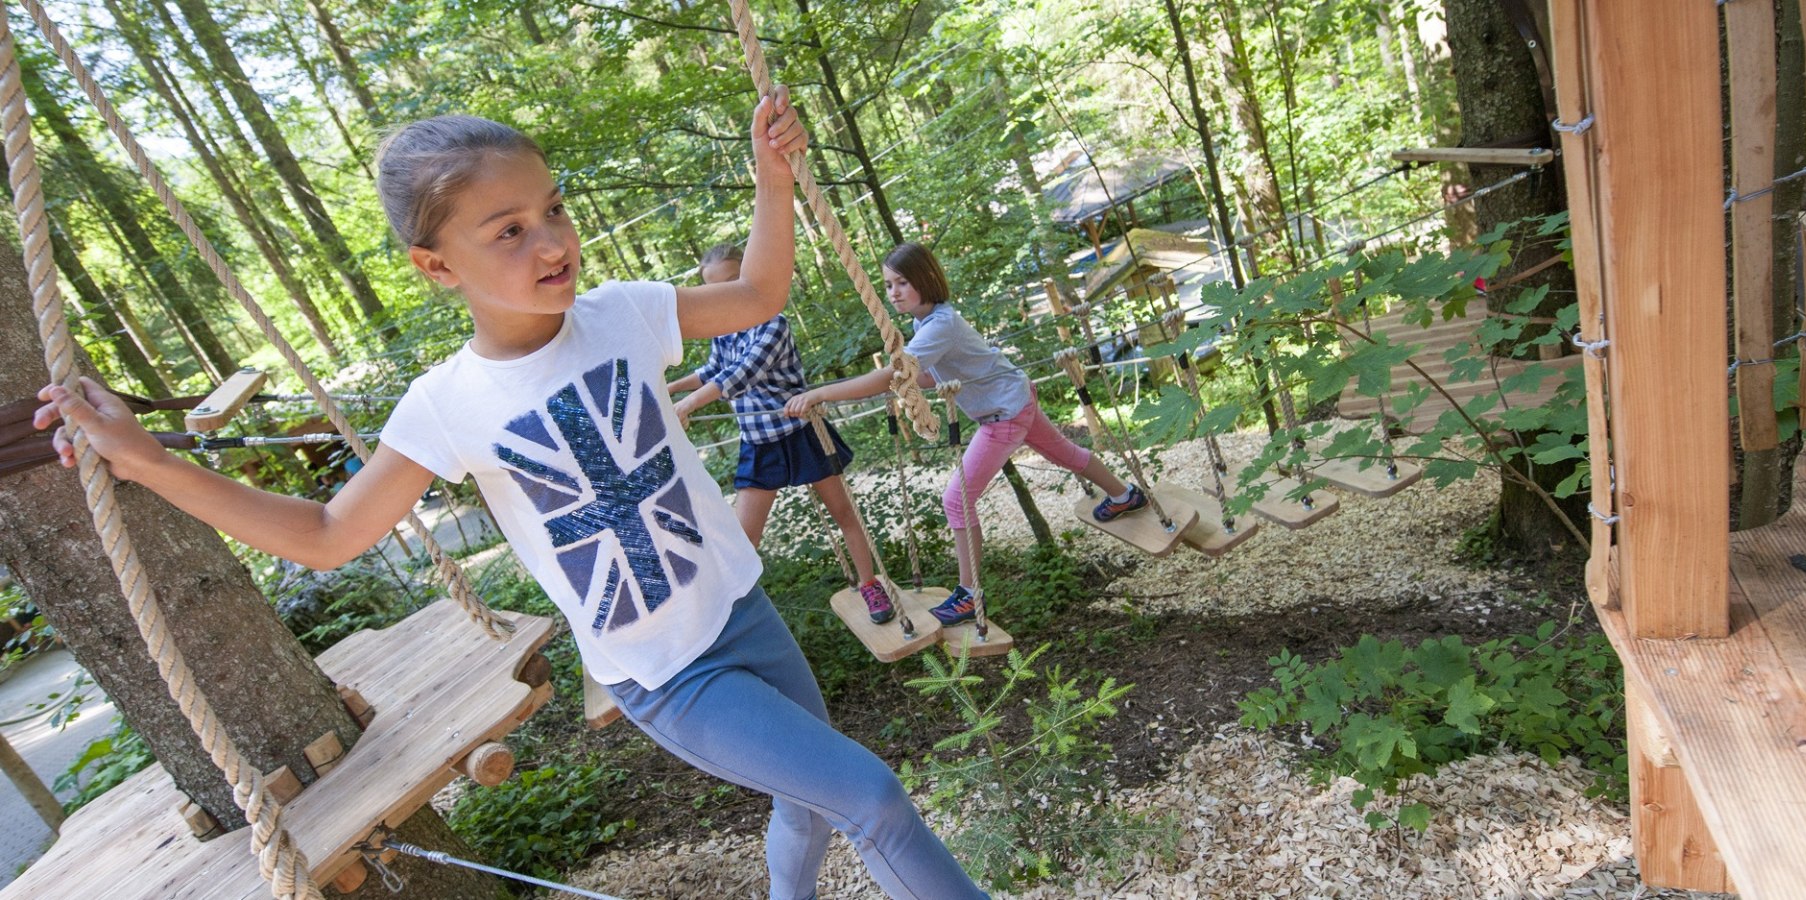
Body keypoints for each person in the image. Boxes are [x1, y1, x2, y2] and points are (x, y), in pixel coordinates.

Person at [35, 94, 987, 900]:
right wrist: (152, 461)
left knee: (805, 803)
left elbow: (760, 292)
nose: (552, 241)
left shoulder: (623, 314)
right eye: (510, 230)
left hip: (743, 610)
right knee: (871, 797)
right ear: (438, 266)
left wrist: (771, 179)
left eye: (555, 209)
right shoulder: (447, 405)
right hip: (665, 672)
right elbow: (327, 534)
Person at [784, 242, 1147, 628]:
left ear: (925, 279)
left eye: (902, 283)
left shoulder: (941, 324)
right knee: (1064, 453)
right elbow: (924, 375)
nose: (893, 293)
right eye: (889, 285)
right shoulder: (928, 322)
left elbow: (897, 373)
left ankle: (968, 595)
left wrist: (822, 392)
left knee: (956, 500)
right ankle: (1125, 495)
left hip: (1003, 413)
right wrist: (903, 386)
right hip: (1015, 396)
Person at [668, 243, 895, 624]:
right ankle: (735, 614)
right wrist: (670, 388)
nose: (724, 293)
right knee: (744, 540)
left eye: (733, 281)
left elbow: (737, 376)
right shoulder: (722, 331)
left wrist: (689, 405)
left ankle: (870, 583)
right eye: (714, 288)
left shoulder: (773, 324)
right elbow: (712, 369)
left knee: (844, 513)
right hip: (759, 444)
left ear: (747, 277)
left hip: (801, 432)